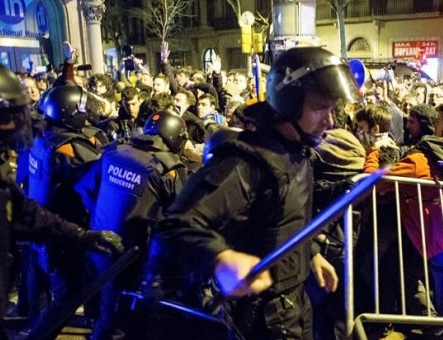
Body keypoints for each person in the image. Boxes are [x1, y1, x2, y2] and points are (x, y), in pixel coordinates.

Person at [144, 46, 360, 339]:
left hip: (295, 305)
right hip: (259, 319)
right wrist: (220, 257)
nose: (330, 121)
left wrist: (310, 254)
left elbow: (284, 220)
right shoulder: (245, 162)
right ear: (290, 102)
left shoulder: (298, 152)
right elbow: (176, 224)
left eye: (332, 109)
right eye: (320, 108)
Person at [0, 59, 122, 340]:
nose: (14, 125)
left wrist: (81, 235)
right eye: (7, 117)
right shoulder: (67, 148)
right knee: (65, 296)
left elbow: (24, 212)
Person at [75, 111, 189, 339]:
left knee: (100, 309)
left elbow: (85, 188)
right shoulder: (168, 169)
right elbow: (182, 214)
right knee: (116, 322)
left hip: (97, 241)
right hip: (131, 255)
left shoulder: (114, 152)